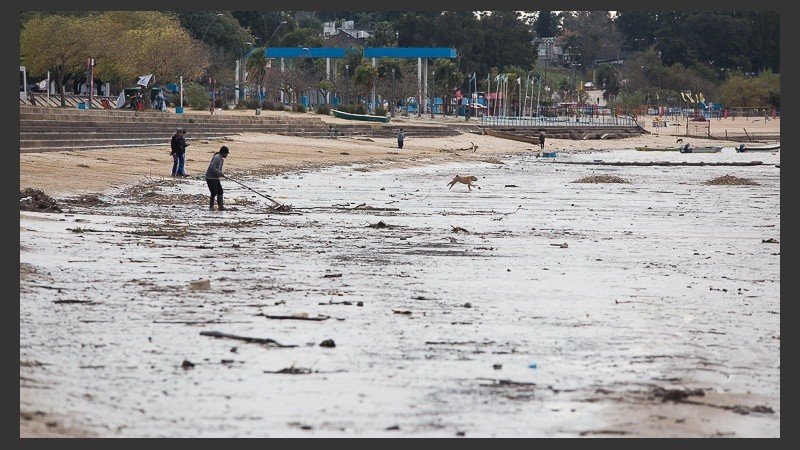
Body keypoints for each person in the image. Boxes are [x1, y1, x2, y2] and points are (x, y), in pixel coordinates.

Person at [205, 146, 229, 211]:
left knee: (220, 191)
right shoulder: (217, 158)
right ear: (223, 153)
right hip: (210, 177)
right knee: (214, 192)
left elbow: (218, 169)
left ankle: (220, 207)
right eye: (226, 153)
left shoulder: (221, 159)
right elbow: (212, 168)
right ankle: (211, 207)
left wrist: (220, 174)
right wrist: (220, 173)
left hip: (216, 178)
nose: (227, 155)